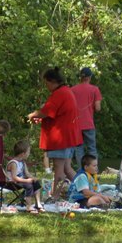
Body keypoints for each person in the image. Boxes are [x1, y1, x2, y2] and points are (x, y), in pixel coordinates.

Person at [28, 67, 83, 200]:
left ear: (52, 81)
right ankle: (85, 190)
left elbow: (46, 111)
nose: (46, 86)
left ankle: (55, 197)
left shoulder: (59, 94)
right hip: (69, 137)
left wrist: (32, 115)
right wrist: (41, 118)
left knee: (59, 171)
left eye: (46, 83)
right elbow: (55, 113)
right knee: (67, 169)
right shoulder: (66, 91)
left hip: (61, 138)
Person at [71, 67, 102, 164]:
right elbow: (97, 108)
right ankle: (93, 171)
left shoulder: (72, 89)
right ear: (90, 77)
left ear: (80, 77)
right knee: (91, 148)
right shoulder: (95, 89)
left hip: (76, 124)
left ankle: (81, 172)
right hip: (88, 123)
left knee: (79, 149)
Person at [7, 140, 45, 214]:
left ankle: (38, 204)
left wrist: (33, 178)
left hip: (20, 181)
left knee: (35, 182)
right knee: (29, 185)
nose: (29, 154)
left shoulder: (22, 162)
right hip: (12, 182)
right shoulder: (13, 163)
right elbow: (14, 178)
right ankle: (28, 206)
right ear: (23, 154)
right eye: (28, 152)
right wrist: (27, 181)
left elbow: (27, 174)